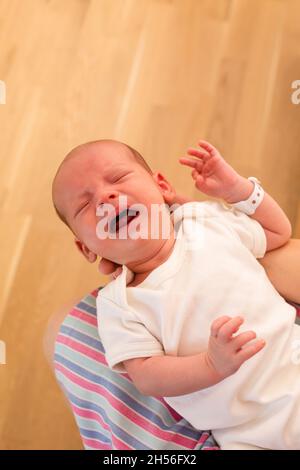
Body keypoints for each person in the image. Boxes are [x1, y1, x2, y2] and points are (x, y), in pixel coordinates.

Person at [51, 138, 299, 449]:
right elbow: (146, 376)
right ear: (86, 248)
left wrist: (237, 190)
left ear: (163, 187)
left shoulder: (203, 221)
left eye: (118, 178)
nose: (106, 197)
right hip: (253, 434)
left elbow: (278, 233)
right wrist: (210, 365)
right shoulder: (119, 303)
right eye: (85, 205)